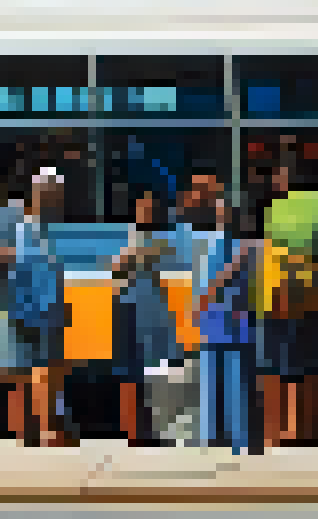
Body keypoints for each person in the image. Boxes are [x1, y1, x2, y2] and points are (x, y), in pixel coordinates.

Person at [0, 167, 73, 447]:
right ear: (35, 192)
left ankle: (48, 433)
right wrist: (23, 256)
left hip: (50, 310)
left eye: (56, 195)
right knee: (19, 374)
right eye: (48, 192)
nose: (52, 199)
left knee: (50, 372)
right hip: (19, 308)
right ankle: (25, 437)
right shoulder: (11, 216)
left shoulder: (55, 225)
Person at [258, 158, 318, 447]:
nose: (275, 178)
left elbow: (273, 251)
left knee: (280, 366)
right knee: (307, 366)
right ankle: (304, 429)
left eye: (279, 172)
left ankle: (282, 431)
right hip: (309, 294)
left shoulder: (280, 209)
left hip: (282, 294)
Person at [185, 174, 253, 453]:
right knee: (212, 387)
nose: (224, 215)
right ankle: (211, 442)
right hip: (215, 322)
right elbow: (203, 281)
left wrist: (202, 299)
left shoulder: (245, 246)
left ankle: (238, 444)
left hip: (234, 323)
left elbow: (236, 282)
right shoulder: (212, 244)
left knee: (236, 388)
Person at [111, 190, 179, 445]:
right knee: (130, 375)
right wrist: (138, 256)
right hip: (129, 313)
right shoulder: (130, 237)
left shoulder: (164, 239)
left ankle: (149, 430)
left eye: (150, 208)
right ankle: (134, 431)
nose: (145, 212)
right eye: (142, 207)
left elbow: (165, 258)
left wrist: (139, 257)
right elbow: (117, 268)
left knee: (154, 378)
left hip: (154, 319)